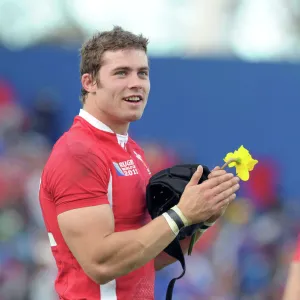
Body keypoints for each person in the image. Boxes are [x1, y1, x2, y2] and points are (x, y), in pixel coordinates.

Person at [39, 26, 240, 300]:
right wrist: (181, 214)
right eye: (121, 72)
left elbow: (145, 257)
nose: (136, 83)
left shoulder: (131, 150)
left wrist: (202, 217)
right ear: (89, 82)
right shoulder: (78, 152)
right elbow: (101, 263)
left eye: (142, 73)